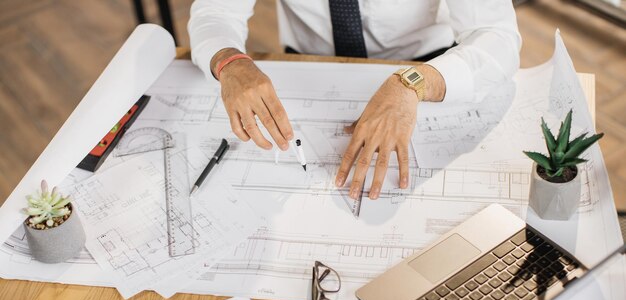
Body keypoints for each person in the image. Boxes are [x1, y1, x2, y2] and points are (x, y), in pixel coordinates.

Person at [188, 0, 521, 200]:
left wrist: (413, 83)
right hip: (309, 73)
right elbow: (215, 11)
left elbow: (498, 38)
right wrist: (229, 60)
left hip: (428, 74)